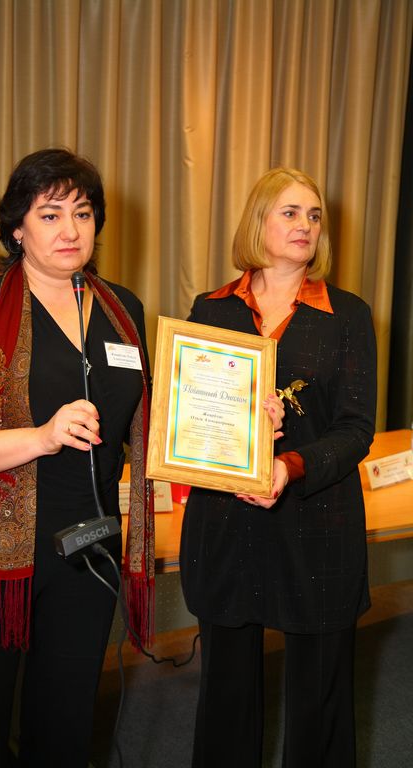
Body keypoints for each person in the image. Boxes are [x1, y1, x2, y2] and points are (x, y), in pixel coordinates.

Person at [0, 148, 154, 768]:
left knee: (65, 727)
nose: (70, 230)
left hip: (90, 549)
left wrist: (241, 427)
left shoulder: (123, 310)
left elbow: (147, 425)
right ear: (17, 228)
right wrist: (42, 436)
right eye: (50, 215)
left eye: (83, 213)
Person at [179, 167, 377, 767]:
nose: (305, 225)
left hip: (317, 518)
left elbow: (356, 430)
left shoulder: (348, 314)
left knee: (320, 698)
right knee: (227, 693)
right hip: (226, 521)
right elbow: (187, 414)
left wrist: (289, 464)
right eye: (290, 212)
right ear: (257, 220)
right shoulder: (210, 309)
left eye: (314, 215)